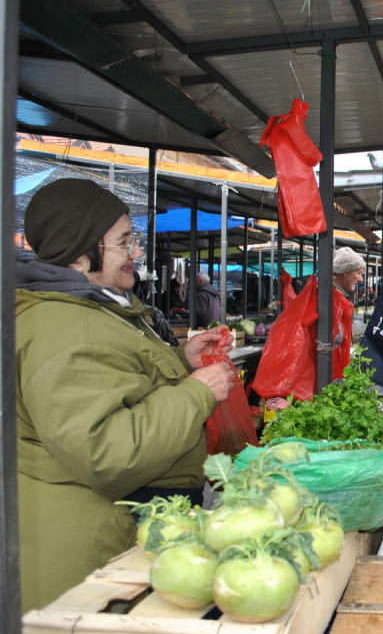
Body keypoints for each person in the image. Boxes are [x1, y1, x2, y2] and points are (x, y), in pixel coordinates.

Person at [15, 178, 236, 611]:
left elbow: (118, 378)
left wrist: (179, 360)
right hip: (92, 552)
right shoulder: (64, 328)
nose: (136, 252)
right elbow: (105, 451)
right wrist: (196, 393)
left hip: (117, 528)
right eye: (124, 241)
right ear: (80, 252)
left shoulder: (90, 307)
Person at [332, 246, 366, 379]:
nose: (361, 278)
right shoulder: (330, 298)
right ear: (346, 272)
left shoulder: (339, 296)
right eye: (358, 273)